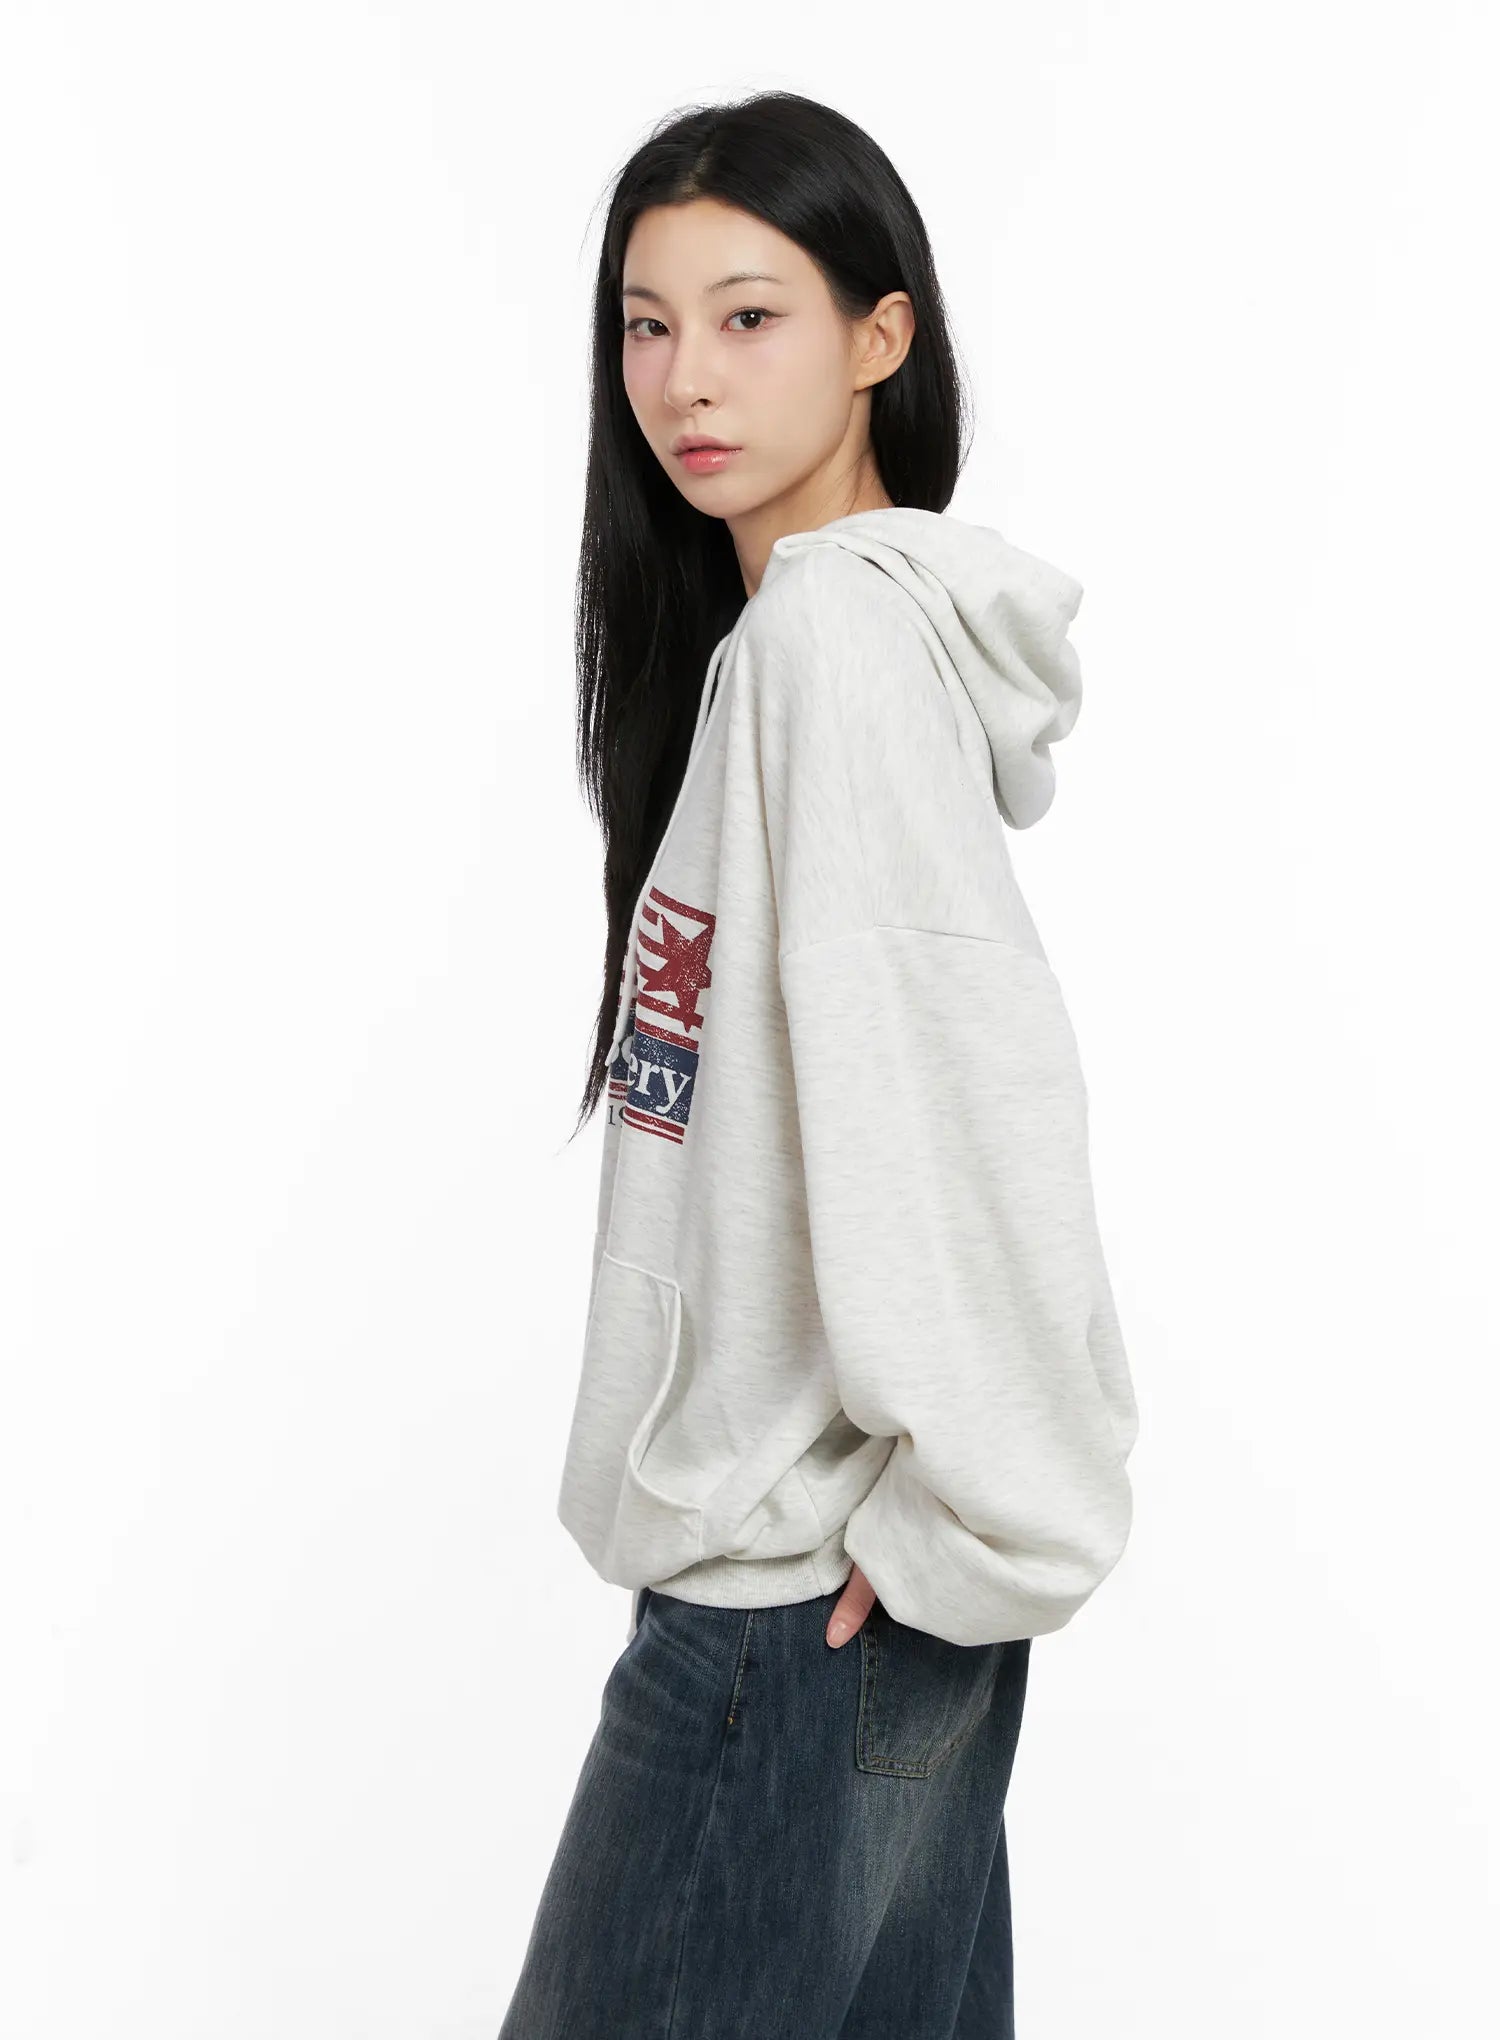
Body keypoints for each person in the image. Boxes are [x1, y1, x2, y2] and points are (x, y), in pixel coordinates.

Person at [499, 88, 1140, 2040]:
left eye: (749, 316)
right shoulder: (794, 651)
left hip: (795, 1626)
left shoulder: (829, 659)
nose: (683, 378)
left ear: (882, 336)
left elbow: (967, 1102)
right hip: (849, 1620)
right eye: (645, 324)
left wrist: (971, 1525)